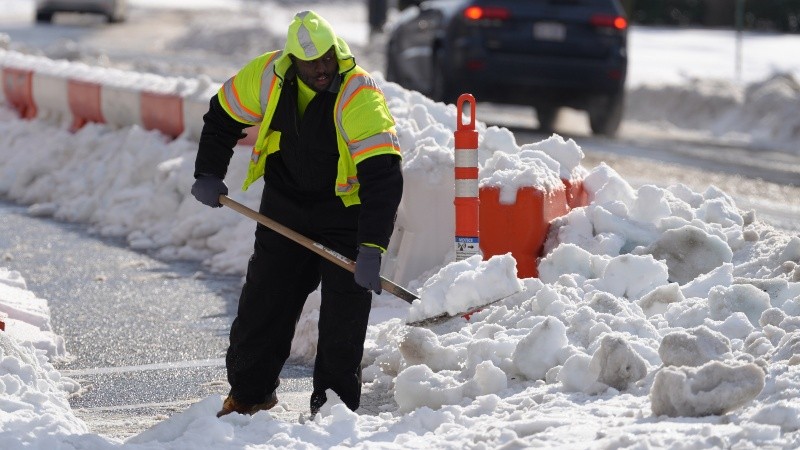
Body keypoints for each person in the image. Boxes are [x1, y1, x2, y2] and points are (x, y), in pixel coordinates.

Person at [190, 10, 403, 418]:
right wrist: (208, 171)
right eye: (311, 62)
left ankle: (333, 414)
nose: (322, 69)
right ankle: (249, 397)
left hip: (346, 215)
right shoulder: (268, 74)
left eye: (327, 58)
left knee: (343, 321)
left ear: (335, 51)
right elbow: (221, 115)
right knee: (264, 304)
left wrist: (371, 246)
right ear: (292, 60)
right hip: (285, 207)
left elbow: (383, 176)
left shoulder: (359, 95)